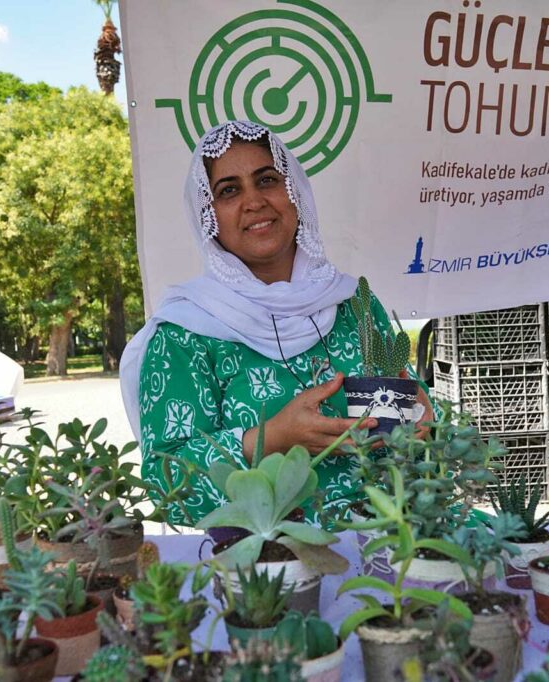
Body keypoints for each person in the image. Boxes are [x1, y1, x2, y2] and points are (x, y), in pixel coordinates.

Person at [120, 120, 432, 526]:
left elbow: (407, 410)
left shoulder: (353, 301)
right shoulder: (185, 332)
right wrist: (269, 441)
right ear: (207, 214)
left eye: (267, 179)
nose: (254, 201)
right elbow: (167, 483)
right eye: (229, 190)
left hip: (390, 541)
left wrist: (420, 414)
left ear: (295, 192)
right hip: (266, 563)